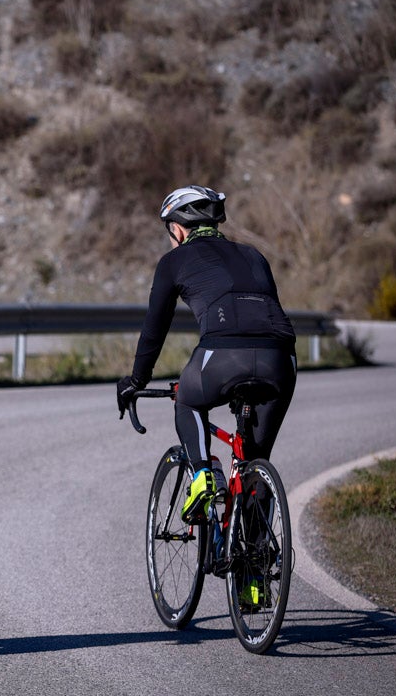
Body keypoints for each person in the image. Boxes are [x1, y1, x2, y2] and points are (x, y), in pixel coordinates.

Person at [116, 186, 297, 604]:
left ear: (178, 229)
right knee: (254, 464)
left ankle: (201, 474)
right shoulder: (254, 256)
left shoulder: (174, 261)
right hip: (280, 359)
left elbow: (154, 328)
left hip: (223, 354)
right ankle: (253, 582)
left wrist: (137, 380)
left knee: (188, 400)